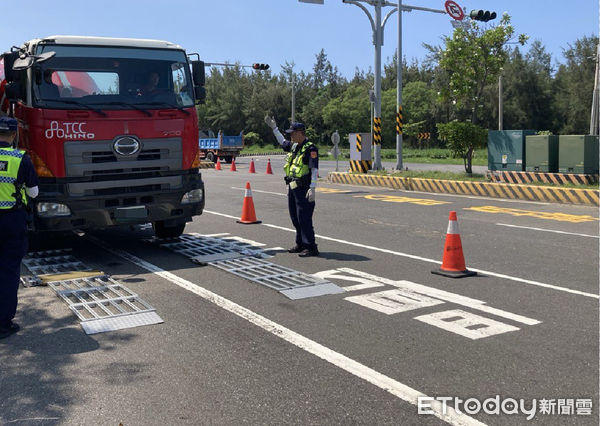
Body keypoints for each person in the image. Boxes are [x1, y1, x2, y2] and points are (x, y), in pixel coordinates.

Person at [0, 116, 39, 340]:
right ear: (13, 135)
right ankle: (3, 325)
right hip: (12, 221)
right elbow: (33, 193)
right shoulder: (20, 159)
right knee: (8, 272)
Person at [265, 116, 319, 257]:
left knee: (304, 218)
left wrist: (312, 188)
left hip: (304, 188)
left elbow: (314, 169)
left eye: (292, 133)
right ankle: (300, 244)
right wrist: (274, 128)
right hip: (293, 187)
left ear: (300, 132)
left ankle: (311, 247)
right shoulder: (295, 146)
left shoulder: (311, 148)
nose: (290, 136)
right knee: (295, 217)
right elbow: (282, 142)